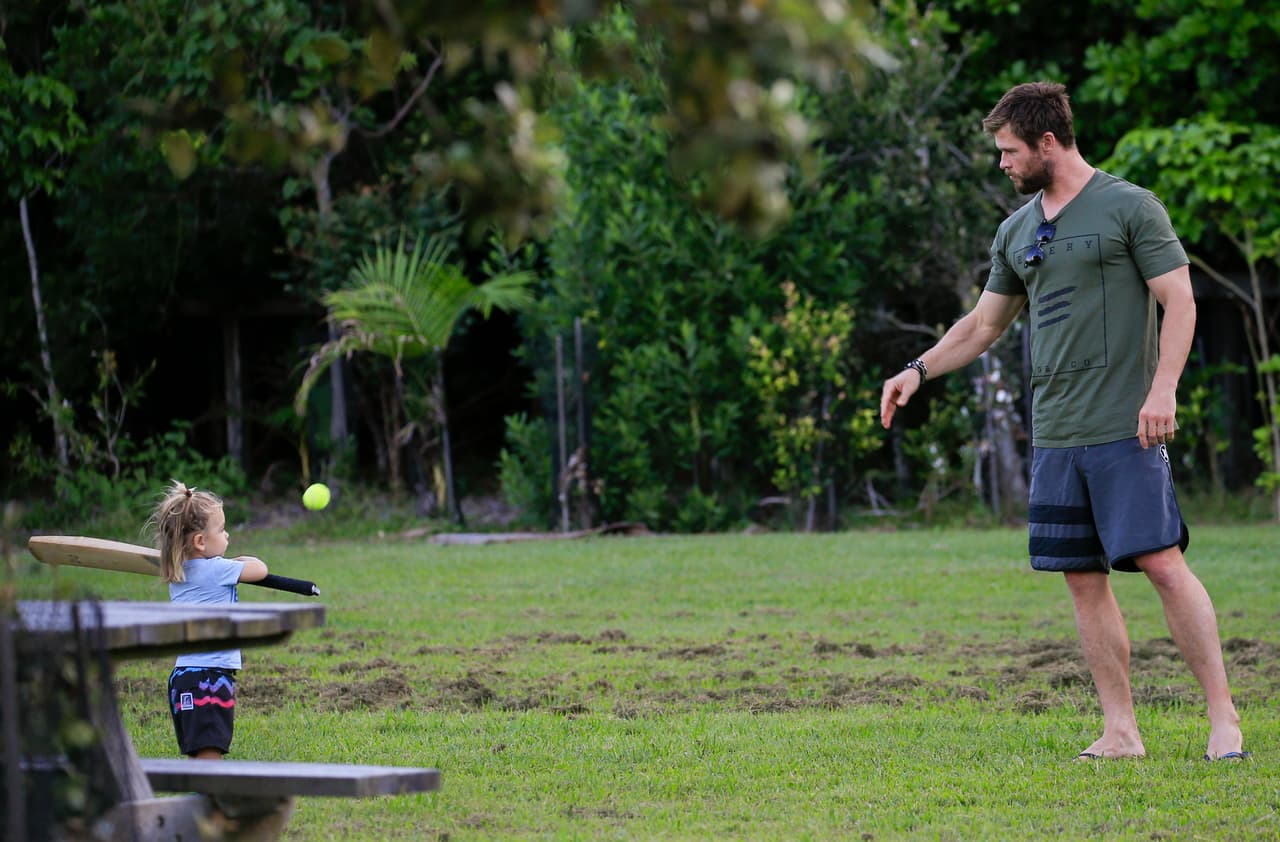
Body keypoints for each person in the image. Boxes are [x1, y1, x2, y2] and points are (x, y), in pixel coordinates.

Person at [879, 81, 1246, 762]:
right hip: (1056, 432)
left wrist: (1163, 390)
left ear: (1048, 142)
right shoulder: (1016, 230)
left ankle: (1223, 719)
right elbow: (984, 324)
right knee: (1082, 576)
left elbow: (1181, 301)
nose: (1003, 163)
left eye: (1010, 151)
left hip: (1127, 426)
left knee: (1163, 563)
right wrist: (918, 369)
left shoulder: (1130, 207)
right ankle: (1120, 730)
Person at [147, 480, 269, 759]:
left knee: (200, 756)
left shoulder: (178, 571)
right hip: (208, 677)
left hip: (184, 677)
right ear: (200, 542)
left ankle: (204, 800)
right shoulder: (216, 569)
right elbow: (260, 570)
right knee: (209, 761)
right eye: (222, 530)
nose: (227, 536)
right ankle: (207, 803)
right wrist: (242, 560)